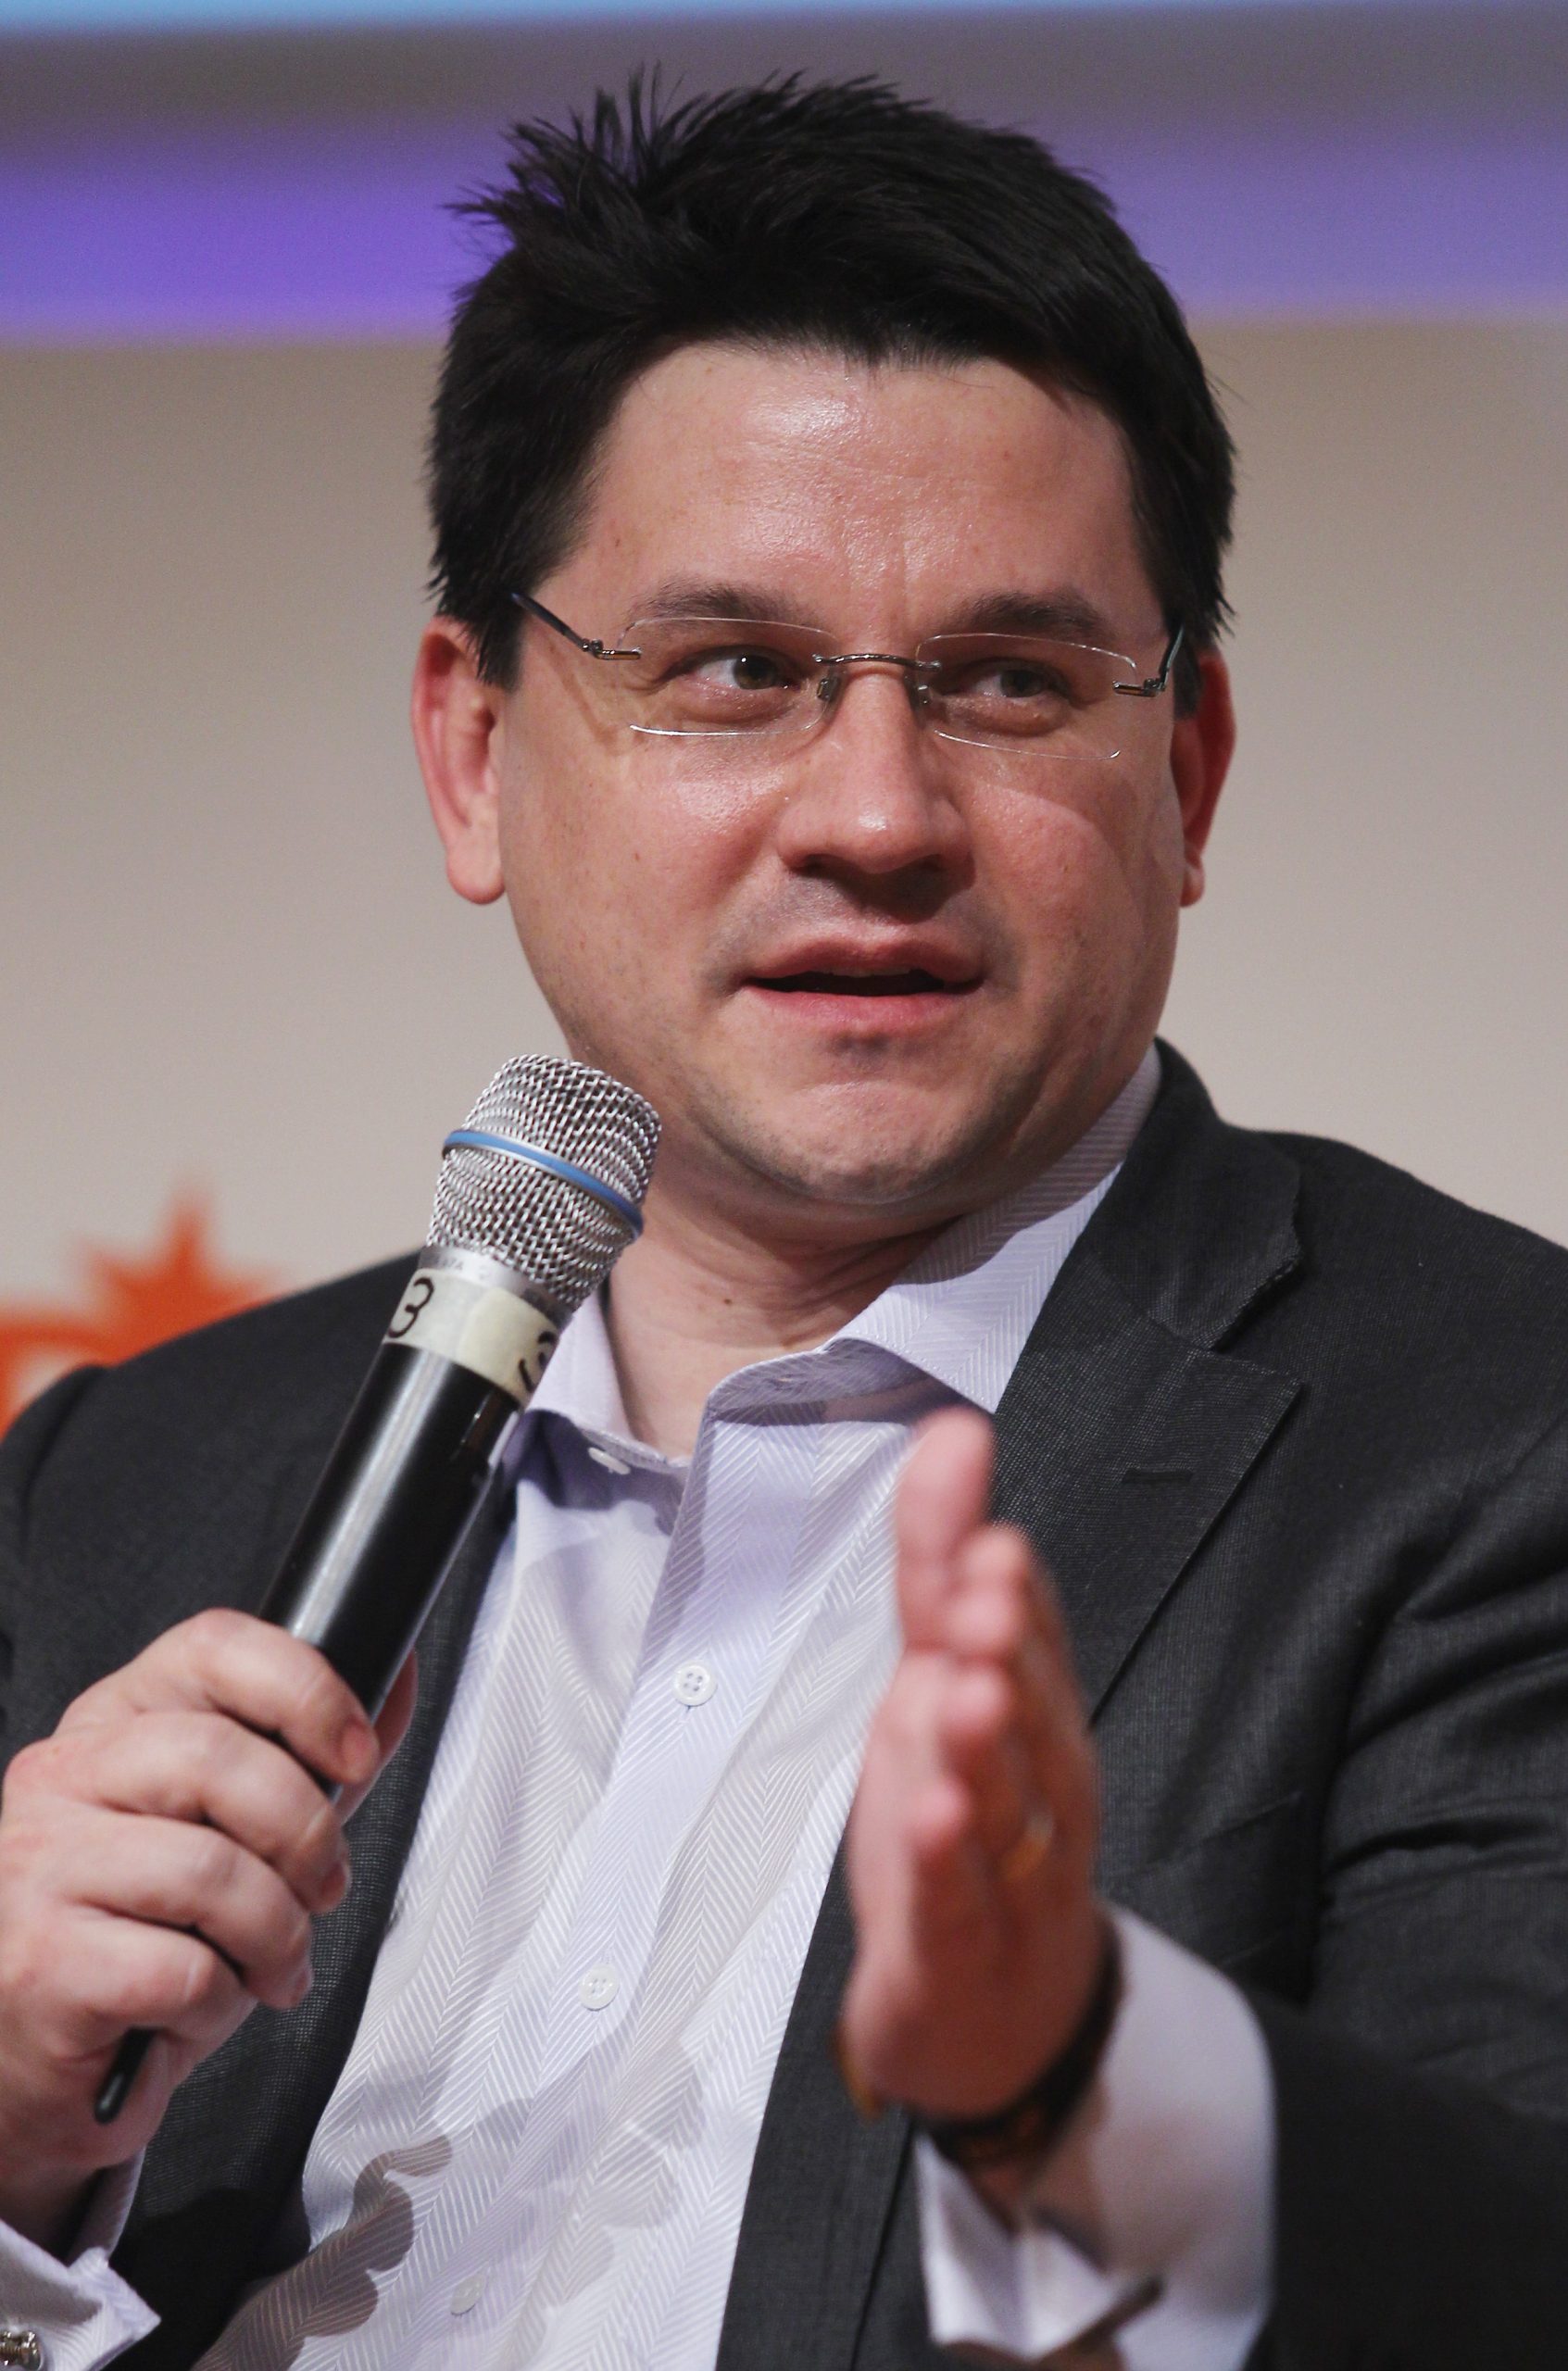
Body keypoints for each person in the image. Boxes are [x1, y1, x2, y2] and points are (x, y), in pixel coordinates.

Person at [1, 74, 1566, 2371]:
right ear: (473, 750)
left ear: (1187, 770)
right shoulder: (116, 1491)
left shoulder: (1496, 1444)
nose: (877, 813)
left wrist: (1078, 2075)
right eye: (733, 670)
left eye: (1009, 681)